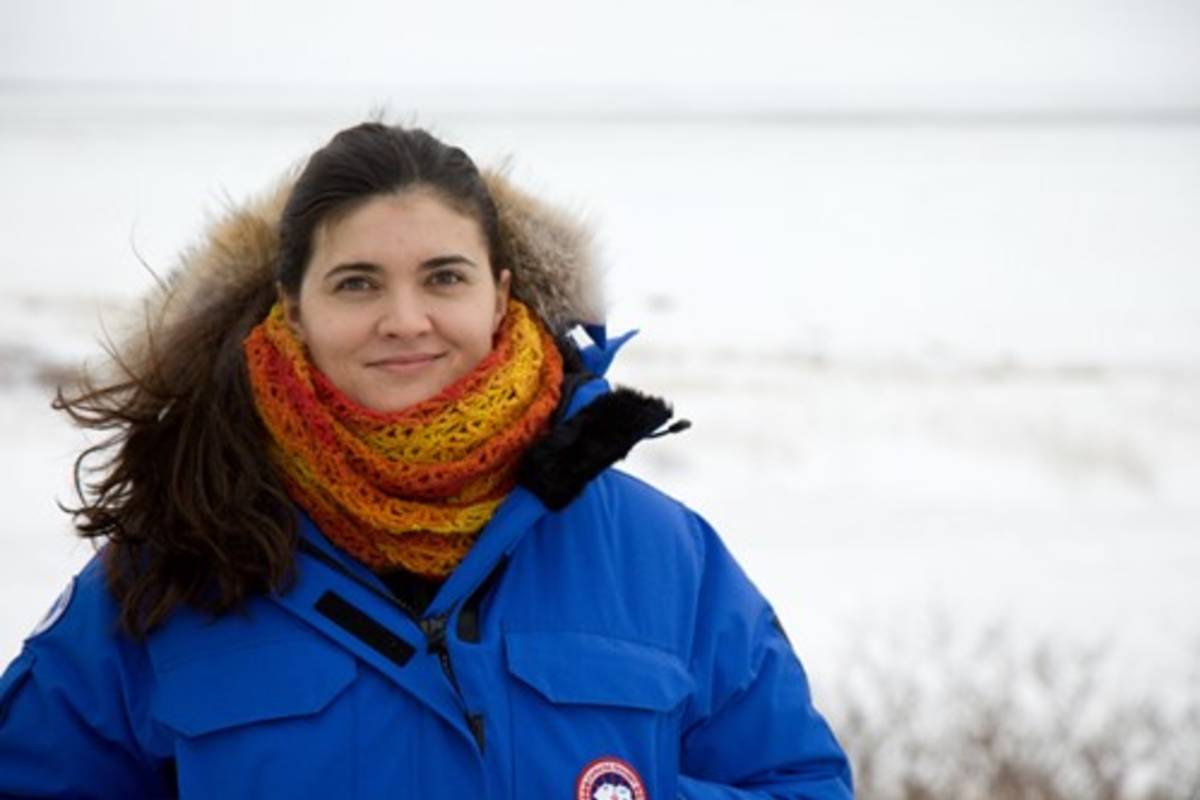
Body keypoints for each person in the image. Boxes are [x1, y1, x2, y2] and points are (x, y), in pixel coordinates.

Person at [0, 122, 853, 798]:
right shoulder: (171, 564)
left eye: (444, 277)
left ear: (501, 297)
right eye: (358, 283)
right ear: (292, 312)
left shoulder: (668, 559)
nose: (405, 319)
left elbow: (796, 784)